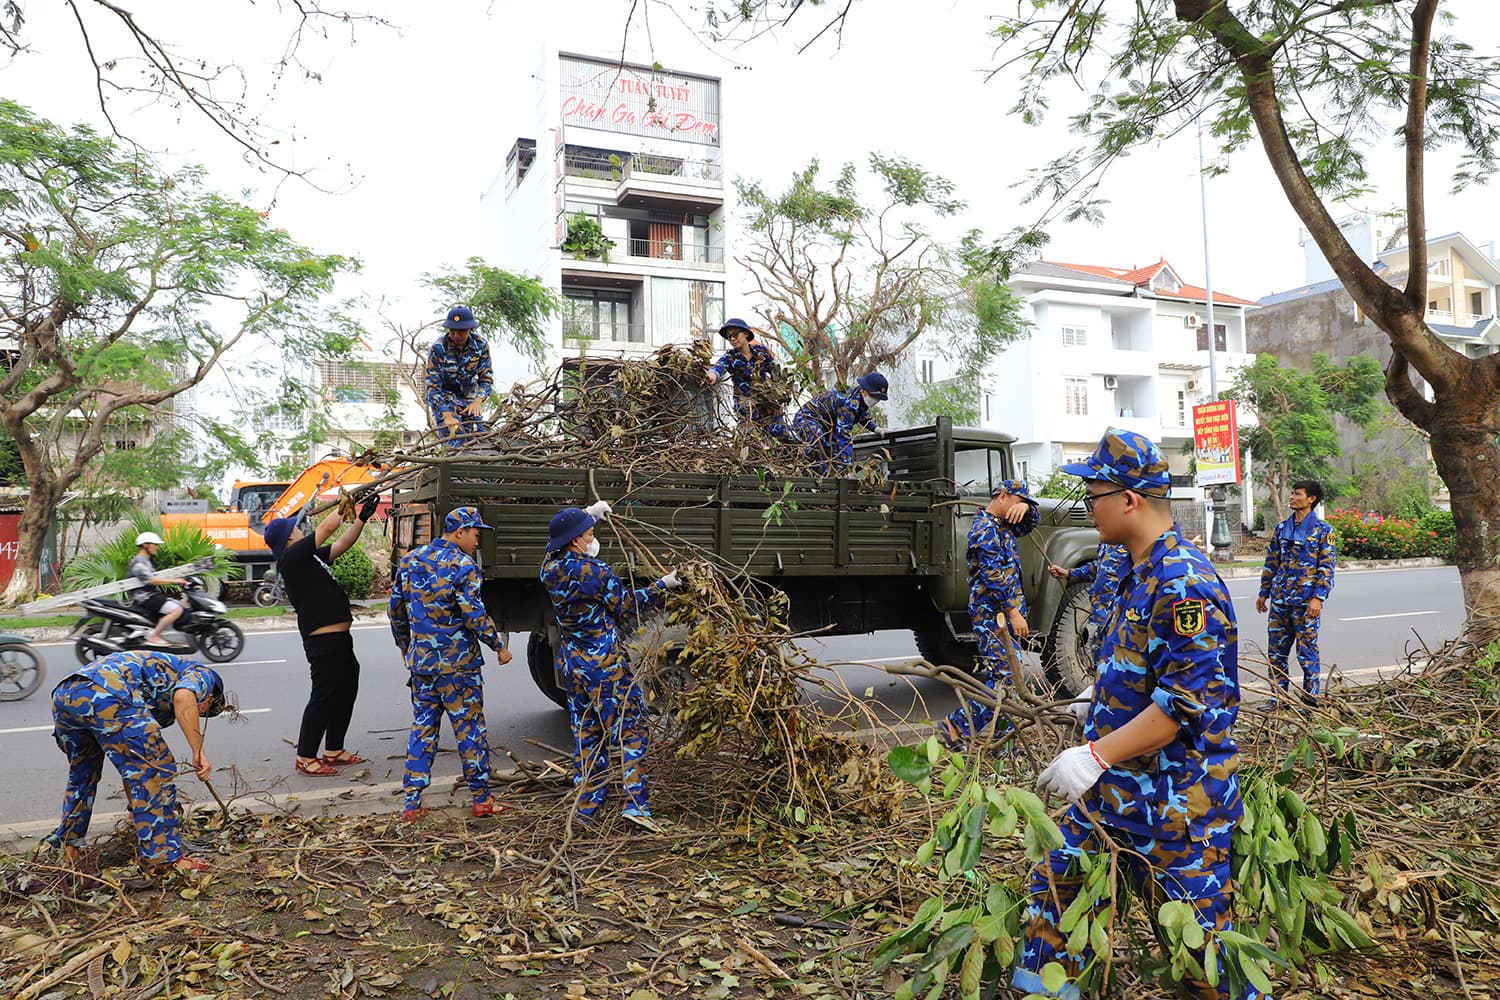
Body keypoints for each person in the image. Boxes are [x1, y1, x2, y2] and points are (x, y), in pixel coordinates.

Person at [1014, 428, 1256, 1000]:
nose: (1087, 508)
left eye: (1094, 496)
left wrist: (1094, 754)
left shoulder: (1184, 583)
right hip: (1117, 791)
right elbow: (1135, 664)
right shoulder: (1134, 569)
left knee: (1202, 960)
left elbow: (1182, 708)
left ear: (1129, 500)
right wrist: (1093, 699)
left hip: (1177, 806)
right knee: (1054, 894)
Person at [539, 501, 682, 833]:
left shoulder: (549, 570)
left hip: (573, 666)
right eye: (588, 534)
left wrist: (589, 514)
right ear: (575, 541)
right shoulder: (594, 572)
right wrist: (664, 585)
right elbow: (628, 606)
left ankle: (587, 806)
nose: (592, 538)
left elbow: (550, 552)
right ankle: (637, 806)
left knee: (587, 735)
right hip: (606, 667)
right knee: (632, 732)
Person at [45, 649, 229, 876]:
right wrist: (198, 749)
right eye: (204, 711)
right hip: (108, 693)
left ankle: (69, 851)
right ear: (210, 698)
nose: (199, 713)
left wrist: (136, 809)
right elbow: (184, 696)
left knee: (82, 776)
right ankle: (163, 860)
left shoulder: (160, 675)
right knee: (158, 772)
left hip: (65, 695)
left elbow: (132, 765)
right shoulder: (202, 675)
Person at [389, 505, 512, 821]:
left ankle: (412, 804)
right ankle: (481, 799)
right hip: (458, 668)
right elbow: (473, 614)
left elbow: (395, 610)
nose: (477, 542)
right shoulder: (463, 565)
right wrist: (498, 646)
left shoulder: (410, 561)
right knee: (470, 730)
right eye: (475, 534)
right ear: (460, 532)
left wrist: (405, 645)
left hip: (422, 666)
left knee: (423, 729)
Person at [264, 494, 379, 778]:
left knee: (346, 688)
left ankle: (334, 749)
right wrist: (349, 502)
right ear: (289, 539)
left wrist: (362, 518)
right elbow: (327, 529)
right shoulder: (292, 557)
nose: (300, 528)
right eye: (295, 528)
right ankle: (305, 756)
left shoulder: (308, 558)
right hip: (322, 641)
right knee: (324, 695)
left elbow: (340, 544)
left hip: (339, 639)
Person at [940, 479, 1039, 750]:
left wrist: (1028, 511)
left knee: (1006, 678)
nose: (1022, 509)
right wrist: (1013, 612)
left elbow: (1030, 525)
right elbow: (992, 575)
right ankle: (955, 724)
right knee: (1006, 677)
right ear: (1004, 497)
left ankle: (1004, 740)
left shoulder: (1003, 526)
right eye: (1020, 502)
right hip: (993, 615)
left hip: (1004, 615)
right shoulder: (985, 530)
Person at [1256, 479, 1336, 705]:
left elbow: (1326, 568)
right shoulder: (1282, 529)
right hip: (1280, 601)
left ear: (1311, 499)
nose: (1292, 497)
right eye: (1291, 493)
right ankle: (1277, 699)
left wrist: (1318, 598)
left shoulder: (1323, 531)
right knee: (1276, 653)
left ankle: (1311, 701)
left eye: (1297, 494)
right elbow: (1272, 561)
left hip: (1306, 604)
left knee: (1307, 653)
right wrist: (1264, 592)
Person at [1047, 540, 1133, 696]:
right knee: (1100, 670)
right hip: (1101, 621)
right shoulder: (1109, 540)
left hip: (1120, 621)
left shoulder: (1132, 539)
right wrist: (1069, 574)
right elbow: (1098, 568)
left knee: (1119, 674)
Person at [704, 317, 791, 440]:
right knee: (751, 444)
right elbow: (718, 367)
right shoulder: (730, 357)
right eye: (729, 337)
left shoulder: (762, 353)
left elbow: (777, 375)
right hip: (746, 411)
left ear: (745, 333)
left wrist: (780, 400)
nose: (732, 339)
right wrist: (711, 376)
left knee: (782, 437)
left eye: (735, 334)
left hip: (767, 406)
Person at [792, 371, 888, 475]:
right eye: (874, 397)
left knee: (831, 449)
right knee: (817, 440)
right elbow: (844, 437)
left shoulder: (860, 399)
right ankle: (805, 474)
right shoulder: (848, 405)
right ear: (864, 390)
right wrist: (846, 466)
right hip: (807, 418)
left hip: (826, 426)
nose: (875, 401)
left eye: (878, 399)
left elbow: (863, 415)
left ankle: (826, 479)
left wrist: (875, 428)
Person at [426, 305, 494, 447]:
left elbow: (486, 378)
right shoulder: (438, 348)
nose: (456, 335)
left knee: (479, 441)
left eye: (461, 331)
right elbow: (432, 386)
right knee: (455, 442)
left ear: (470, 329)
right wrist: (446, 415)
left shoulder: (480, 345)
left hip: (469, 399)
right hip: (445, 400)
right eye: (452, 330)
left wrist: (478, 401)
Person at [128, 531, 190, 645]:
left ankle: (166, 633)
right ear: (145, 545)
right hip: (145, 597)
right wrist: (174, 581)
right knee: (177, 610)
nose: (157, 547)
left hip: (151, 595)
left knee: (179, 605)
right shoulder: (138, 562)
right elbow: (151, 580)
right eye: (154, 544)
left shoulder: (145, 561)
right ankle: (154, 636)